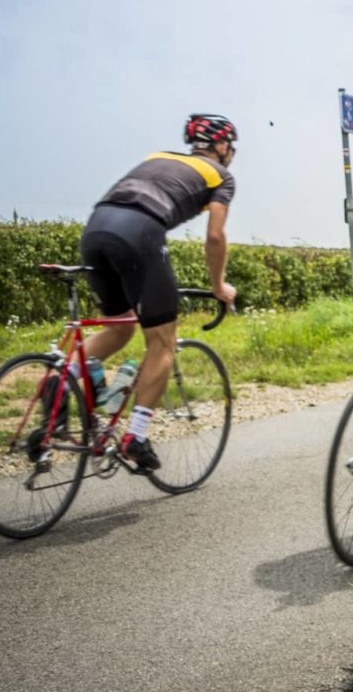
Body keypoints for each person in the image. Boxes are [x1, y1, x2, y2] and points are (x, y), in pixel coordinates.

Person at [75, 114, 239, 472]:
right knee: (162, 341)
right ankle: (136, 437)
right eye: (231, 147)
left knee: (119, 326)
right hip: (140, 232)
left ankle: (60, 380)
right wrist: (218, 286)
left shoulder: (156, 158)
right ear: (222, 147)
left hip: (96, 229)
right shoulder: (221, 176)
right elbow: (214, 236)